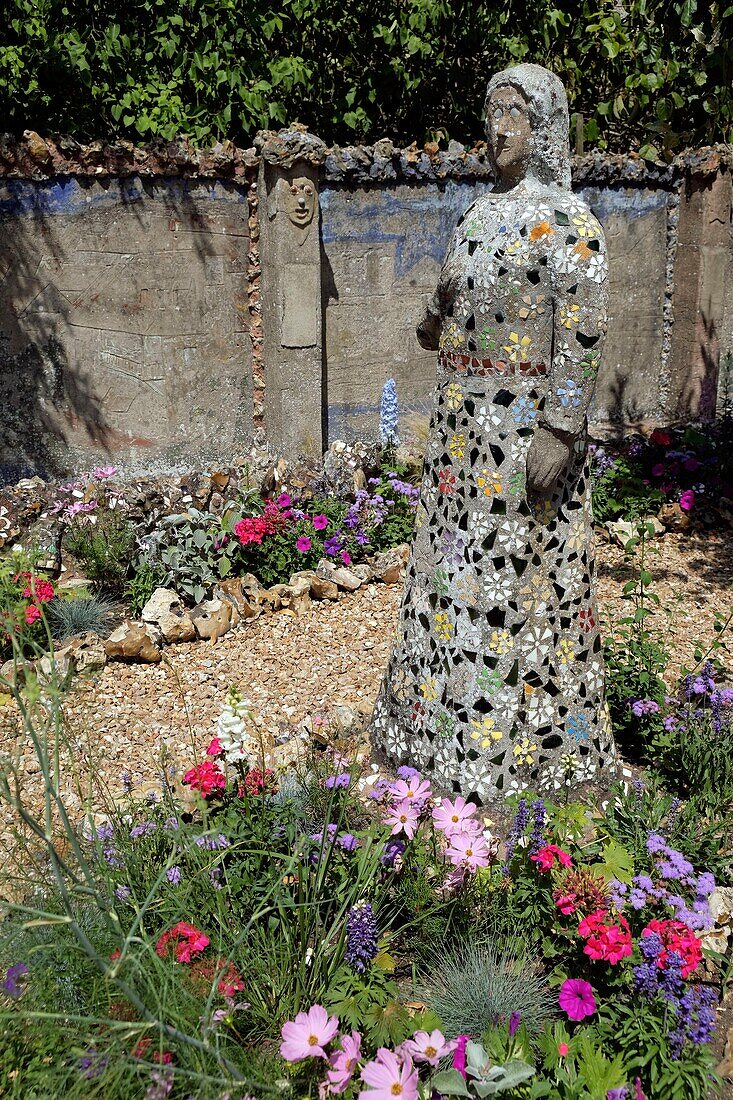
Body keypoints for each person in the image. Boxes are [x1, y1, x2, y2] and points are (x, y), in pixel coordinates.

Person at [371, 63, 616, 800]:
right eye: (491, 112)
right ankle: (432, 728)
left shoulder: (570, 223)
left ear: (543, 128)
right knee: (449, 579)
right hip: (458, 435)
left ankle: (524, 750)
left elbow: (583, 327)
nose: (497, 128)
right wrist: (432, 317)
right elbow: (444, 312)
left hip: (520, 433)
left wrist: (562, 427)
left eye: (512, 113)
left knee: (518, 584)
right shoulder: (476, 215)